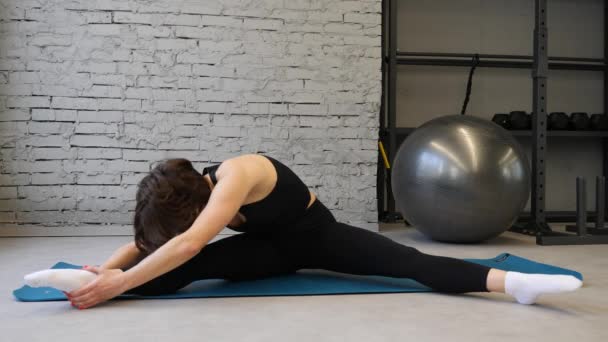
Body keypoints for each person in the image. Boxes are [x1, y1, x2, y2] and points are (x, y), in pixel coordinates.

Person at [66, 154, 582, 309]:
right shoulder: (191, 196)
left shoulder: (238, 172)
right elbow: (155, 243)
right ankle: (81, 285)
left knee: (408, 266)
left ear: (197, 196)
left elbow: (191, 239)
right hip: (267, 251)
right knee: (171, 275)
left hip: (317, 237)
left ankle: (515, 286)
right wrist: (108, 274)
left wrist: (123, 277)